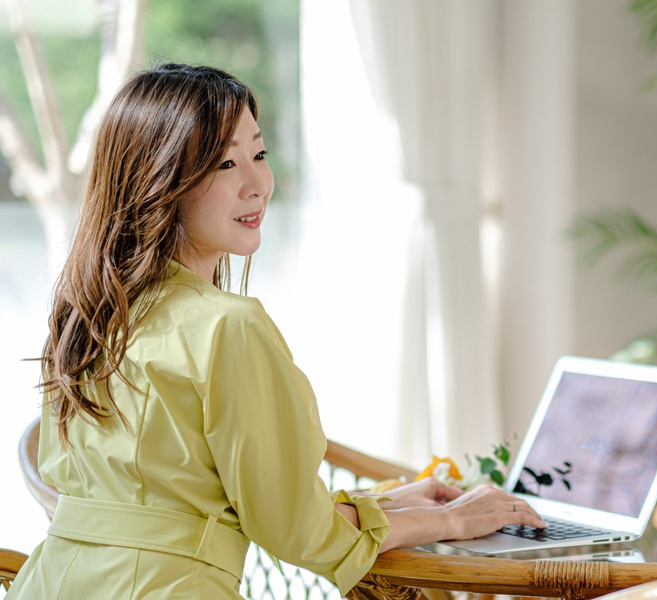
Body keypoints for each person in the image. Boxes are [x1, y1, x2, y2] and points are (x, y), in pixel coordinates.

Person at [7, 63, 544, 599]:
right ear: (159, 181)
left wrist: (386, 505)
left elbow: (166, 498)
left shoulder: (91, 315)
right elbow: (297, 531)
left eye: (259, 155)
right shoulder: (227, 326)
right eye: (225, 163)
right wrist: (452, 520)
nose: (258, 184)